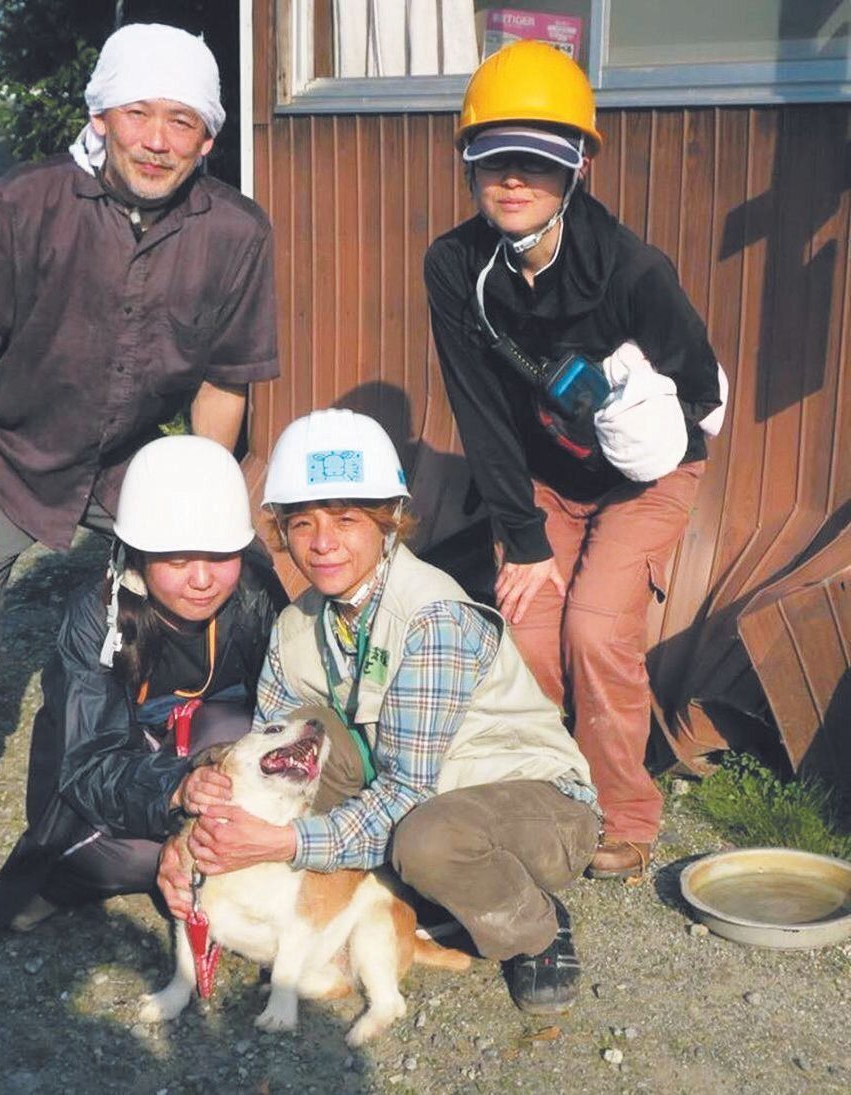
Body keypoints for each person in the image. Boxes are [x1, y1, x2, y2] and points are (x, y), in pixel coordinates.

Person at [0, 22, 279, 916]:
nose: (158, 139)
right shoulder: (25, 201)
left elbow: (222, 382)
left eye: (182, 121)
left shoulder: (237, 231)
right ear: (101, 113)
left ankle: (191, 768)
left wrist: (197, 521)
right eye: (139, 113)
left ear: (208, 136)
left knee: (234, 591)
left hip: (134, 460)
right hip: (8, 454)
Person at [158, 409, 601, 1014]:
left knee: (428, 842)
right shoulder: (295, 627)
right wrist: (198, 833)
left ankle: (535, 925)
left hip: (528, 805)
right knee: (299, 738)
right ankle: (398, 899)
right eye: (302, 522)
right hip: (415, 802)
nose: (322, 542)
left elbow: (408, 792)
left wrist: (283, 843)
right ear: (282, 531)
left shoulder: (433, 618)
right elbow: (266, 755)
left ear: (390, 521)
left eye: (347, 520)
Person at [423, 40, 725, 879]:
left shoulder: (632, 270)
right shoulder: (455, 266)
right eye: (494, 161)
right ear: (468, 165)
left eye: (538, 162)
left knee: (594, 630)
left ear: (578, 166)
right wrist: (519, 538)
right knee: (523, 632)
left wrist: (645, 417)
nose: (513, 180)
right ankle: (542, 796)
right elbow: (478, 409)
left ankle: (625, 812)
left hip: (648, 476)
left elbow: (702, 391)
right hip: (543, 477)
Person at [0, 435, 285, 943]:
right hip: (119, 775)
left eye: (219, 556)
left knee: (237, 734)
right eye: (176, 560)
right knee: (137, 854)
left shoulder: (254, 595)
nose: (202, 580)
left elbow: (283, 714)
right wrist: (177, 792)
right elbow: (86, 764)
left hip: (201, 751)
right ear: (138, 555)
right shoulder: (95, 618)